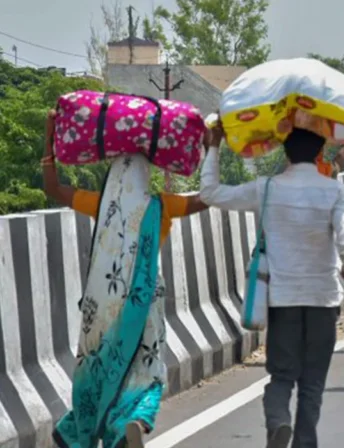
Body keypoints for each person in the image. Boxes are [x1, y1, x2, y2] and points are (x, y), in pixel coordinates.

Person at [200, 126, 344, 448]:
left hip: (282, 301)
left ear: (285, 153)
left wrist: (213, 147)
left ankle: (279, 419)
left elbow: (211, 193)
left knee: (282, 377)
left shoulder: (266, 188)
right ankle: (304, 443)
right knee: (313, 385)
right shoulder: (332, 191)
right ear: (319, 152)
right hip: (323, 301)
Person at [41, 110, 209, 448]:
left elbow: (52, 187)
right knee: (146, 375)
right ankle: (132, 421)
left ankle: (85, 428)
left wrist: (50, 136)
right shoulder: (161, 207)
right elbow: (207, 198)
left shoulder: (101, 204)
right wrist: (210, 149)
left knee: (97, 367)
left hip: (101, 305)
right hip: (146, 304)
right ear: (145, 177)